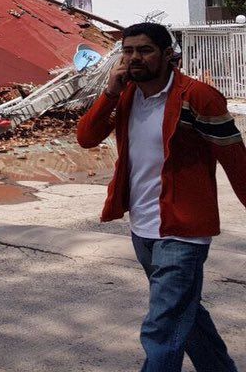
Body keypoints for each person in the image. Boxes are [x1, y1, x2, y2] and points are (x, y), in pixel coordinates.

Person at [77, 22, 246, 371]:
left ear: (168, 55)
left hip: (184, 230)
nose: (134, 58)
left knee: (162, 327)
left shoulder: (196, 97)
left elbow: (236, 160)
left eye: (144, 50)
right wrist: (109, 92)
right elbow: (86, 138)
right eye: (128, 51)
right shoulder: (126, 95)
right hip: (143, 229)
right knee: (185, 313)